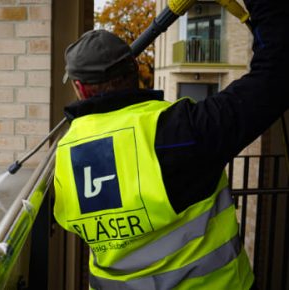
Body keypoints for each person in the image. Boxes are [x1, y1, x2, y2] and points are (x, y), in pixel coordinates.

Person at [53, 0, 289, 289]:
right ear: (134, 70)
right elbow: (275, 75)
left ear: (79, 87)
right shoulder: (183, 130)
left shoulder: (66, 154)